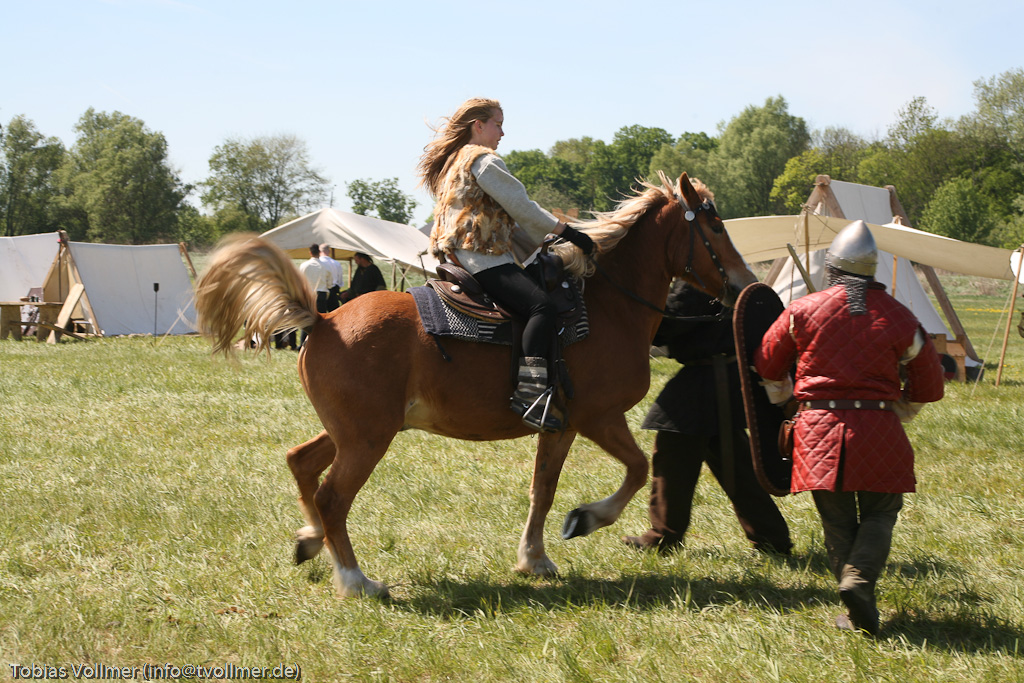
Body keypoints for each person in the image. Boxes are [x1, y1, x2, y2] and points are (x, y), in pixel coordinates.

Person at [754, 220, 944, 636]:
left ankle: (856, 599)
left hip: (816, 432)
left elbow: (767, 361)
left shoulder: (802, 310)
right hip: (879, 430)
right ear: (871, 270)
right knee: (880, 513)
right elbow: (930, 383)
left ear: (833, 267)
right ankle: (859, 588)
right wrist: (902, 407)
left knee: (837, 521)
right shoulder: (899, 316)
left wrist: (784, 398)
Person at [416, 97, 595, 432]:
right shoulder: (482, 159)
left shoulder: (456, 160)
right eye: (497, 124)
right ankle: (529, 394)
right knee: (542, 307)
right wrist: (570, 233)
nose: (502, 132)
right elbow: (521, 206)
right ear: (478, 125)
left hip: (458, 254)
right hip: (481, 256)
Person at [622, 280, 793, 556]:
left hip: (705, 383)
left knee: (673, 453)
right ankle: (772, 538)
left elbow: (665, 327)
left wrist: (632, 304)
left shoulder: (698, 282)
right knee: (734, 462)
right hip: (721, 381)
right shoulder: (719, 278)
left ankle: (663, 536)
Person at [318, 244, 345, 311]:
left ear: (319, 251)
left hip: (320, 291)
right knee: (334, 313)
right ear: (329, 251)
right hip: (333, 291)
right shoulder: (336, 263)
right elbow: (340, 280)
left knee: (321, 313)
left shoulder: (317, 263)